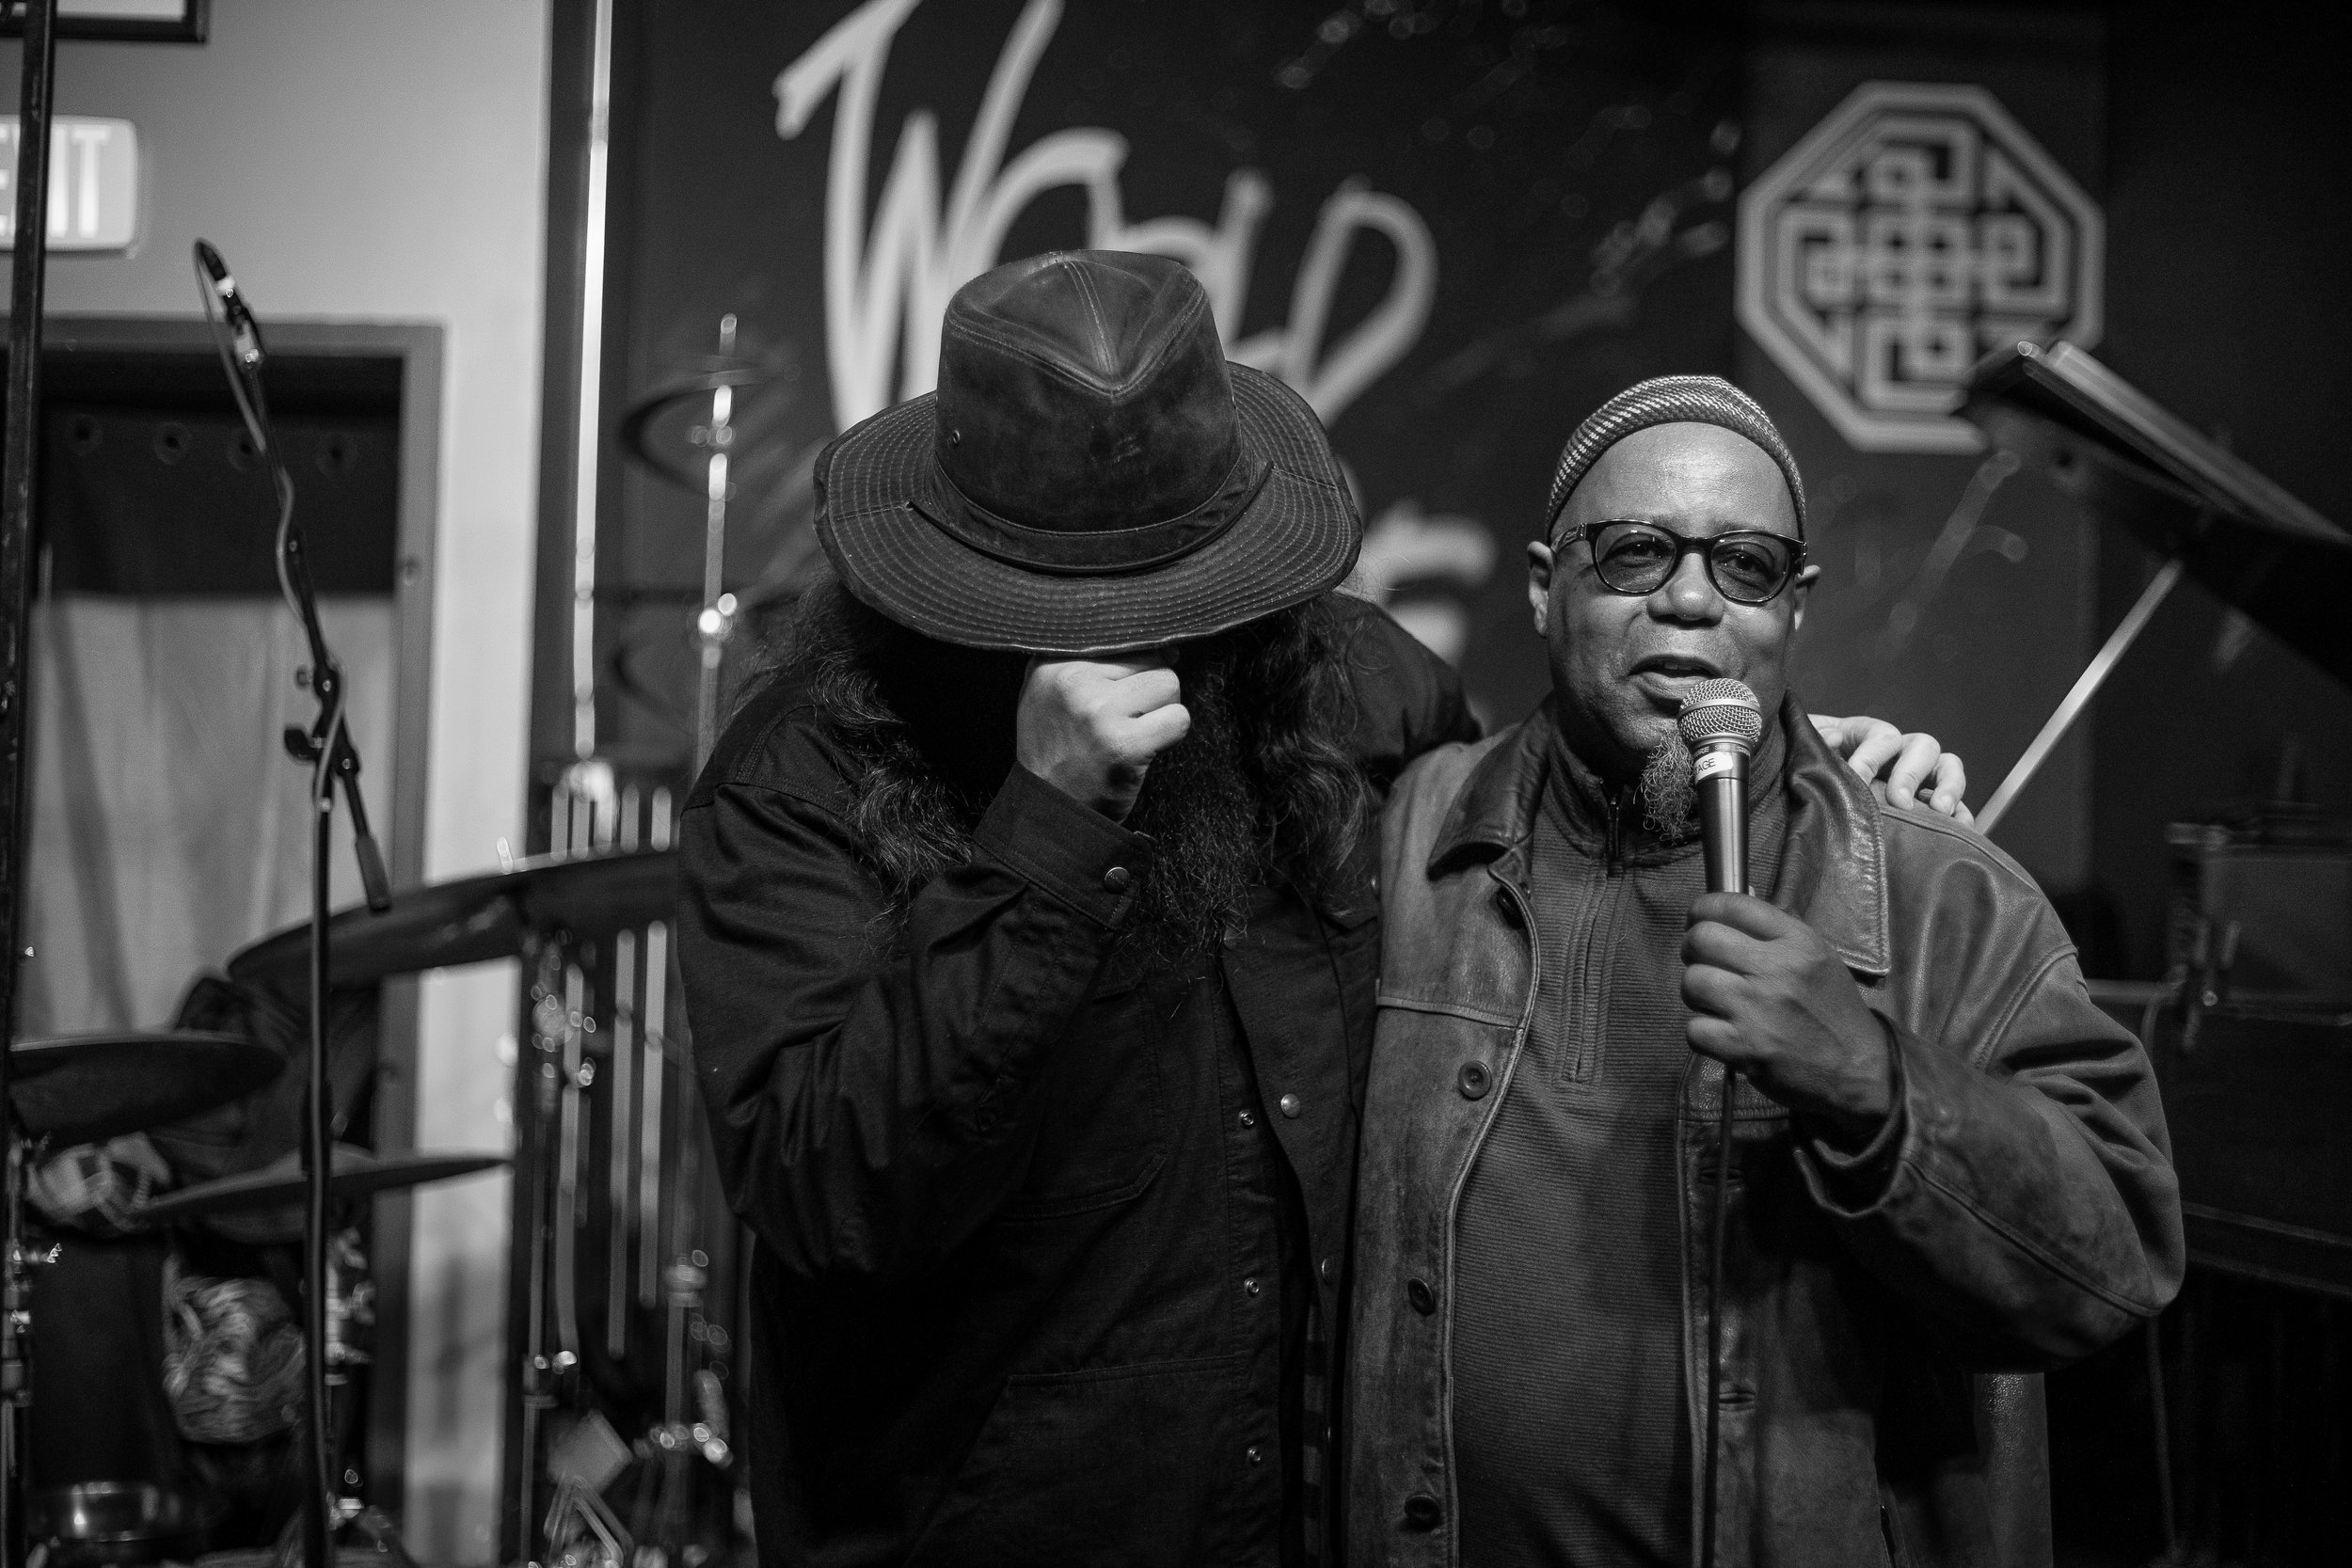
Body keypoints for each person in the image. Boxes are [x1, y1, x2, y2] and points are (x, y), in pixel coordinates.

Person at [676, 260, 1963, 1567]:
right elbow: (826, 1196)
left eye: (1173, 583)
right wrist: (1043, 831)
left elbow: (1559, 842)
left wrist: (1787, 769)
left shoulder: (1354, 687)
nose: (1134, 625)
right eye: (1072, 593)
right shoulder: (808, 773)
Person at [1343, 376, 2185, 1568]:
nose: (1691, 598)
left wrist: (1876, 1086)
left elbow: (2116, 1258)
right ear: (1542, 585)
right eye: (1635, 551)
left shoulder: (1932, 887)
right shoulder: (1412, 837)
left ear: (1792, 606)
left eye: (1744, 565)